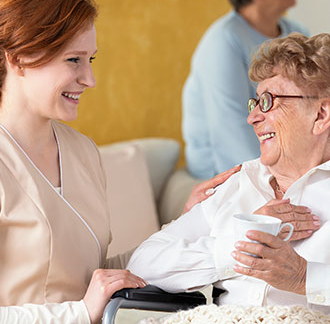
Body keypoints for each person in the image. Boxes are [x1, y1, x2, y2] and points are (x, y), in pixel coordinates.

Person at [128, 32, 330, 313]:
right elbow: (143, 264)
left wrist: (304, 278)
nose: (253, 117)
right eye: (255, 102)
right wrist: (240, 243)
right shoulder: (238, 184)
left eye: (269, 101)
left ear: (320, 116)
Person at [0, 0, 147, 323]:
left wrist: (186, 227)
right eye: (73, 60)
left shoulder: (83, 152)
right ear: (19, 58)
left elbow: (94, 278)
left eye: (91, 59)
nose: (89, 79)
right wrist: (79, 313)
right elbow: (84, 302)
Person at [182, 0, 309, 179]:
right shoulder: (223, 40)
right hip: (224, 173)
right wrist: (279, 181)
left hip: (286, 163)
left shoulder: (297, 33)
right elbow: (231, 136)